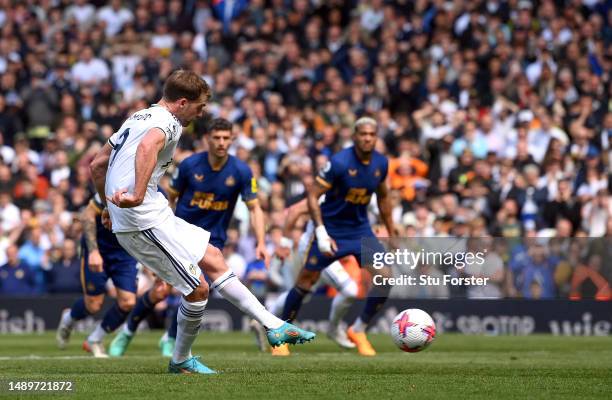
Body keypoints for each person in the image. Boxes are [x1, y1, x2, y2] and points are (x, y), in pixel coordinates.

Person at [90, 70, 314, 374]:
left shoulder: (137, 117)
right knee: (198, 290)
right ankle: (180, 359)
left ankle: (274, 325)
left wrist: (107, 204)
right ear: (182, 103)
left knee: (214, 257)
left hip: (151, 212)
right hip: (142, 219)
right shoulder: (168, 123)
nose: (202, 112)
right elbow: (146, 148)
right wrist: (135, 196)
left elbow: (98, 163)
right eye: (200, 106)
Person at [108, 117, 272, 358]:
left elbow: (255, 208)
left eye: (226, 138)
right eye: (216, 138)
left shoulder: (241, 171)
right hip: (177, 234)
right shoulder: (189, 166)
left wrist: (260, 241)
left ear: (233, 140)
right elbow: (169, 198)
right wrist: (160, 233)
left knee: (195, 288)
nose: (221, 143)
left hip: (211, 241)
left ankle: (171, 340)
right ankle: (128, 331)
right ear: (207, 139)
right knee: (162, 290)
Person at [278, 117, 396, 356]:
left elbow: (383, 198)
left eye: (372, 134)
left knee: (385, 278)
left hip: (360, 230)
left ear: (376, 137)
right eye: (362, 134)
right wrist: (321, 232)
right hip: (331, 230)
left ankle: (359, 329)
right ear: (355, 136)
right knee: (306, 282)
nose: (367, 138)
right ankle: (281, 336)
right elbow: (312, 196)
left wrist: (391, 231)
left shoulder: (381, 163)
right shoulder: (340, 162)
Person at [55, 193, 166, 357]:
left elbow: (156, 231)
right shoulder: (115, 188)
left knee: (128, 302)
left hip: (125, 253)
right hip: (99, 249)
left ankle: (95, 339)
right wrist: (93, 251)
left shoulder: (156, 195)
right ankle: (69, 319)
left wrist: (156, 263)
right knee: (93, 304)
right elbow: (87, 215)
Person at [259, 197, 360, 356]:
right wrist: (285, 243)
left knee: (301, 293)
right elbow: (294, 211)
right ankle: (332, 329)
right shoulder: (326, 194)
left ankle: (264, 319)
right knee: (350, 289)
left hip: (331, 250)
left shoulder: (359, 191)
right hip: (316, 249)